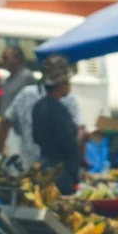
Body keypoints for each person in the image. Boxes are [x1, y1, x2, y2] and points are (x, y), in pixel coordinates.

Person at [0, 63, 82, 168]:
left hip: (28, 165)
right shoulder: (65, 101)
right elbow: (76, 132)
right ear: (61, 83)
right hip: (55, 169)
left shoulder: (27, 94)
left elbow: (5, 122)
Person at [32, 55, 80, 195]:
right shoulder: (58, 111)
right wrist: (74, 176)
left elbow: (35, 138)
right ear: (61, 84)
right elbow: (69, 145)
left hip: (44, 167)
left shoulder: (39, 106)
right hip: (61, 174)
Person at [0, 46, 35, 155]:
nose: (3, 61)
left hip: (20, 133)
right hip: (8, 131)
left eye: (6, 58)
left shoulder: (26, 77)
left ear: (16, 58)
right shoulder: (9, 79)